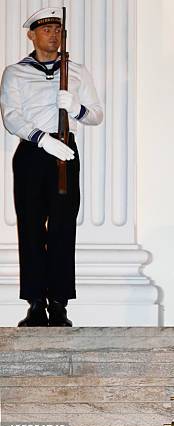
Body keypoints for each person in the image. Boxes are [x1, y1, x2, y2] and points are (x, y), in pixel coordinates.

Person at [0, 7, 103, 327]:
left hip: (65, 152)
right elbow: (11, 116)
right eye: (46, 30)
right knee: (30, 227)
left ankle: (58, 303)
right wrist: (41, 138)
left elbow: (97, 115)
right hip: (33, 151)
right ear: (31, 35)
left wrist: (77, 107)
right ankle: (35, 302)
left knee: (62, 227)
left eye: (57, 29)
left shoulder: (76, 70)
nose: (53, 34)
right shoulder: (15, 72)